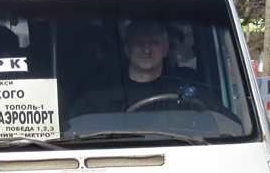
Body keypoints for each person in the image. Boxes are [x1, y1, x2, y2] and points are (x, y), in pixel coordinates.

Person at [71, 19, 209, 116]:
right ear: (127, 50)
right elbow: (74, 133)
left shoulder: (188, 87)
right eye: (139, 43)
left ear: (165, 49)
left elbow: (223, 121)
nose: (147, 50)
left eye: (154, 42)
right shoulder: (99, 94)